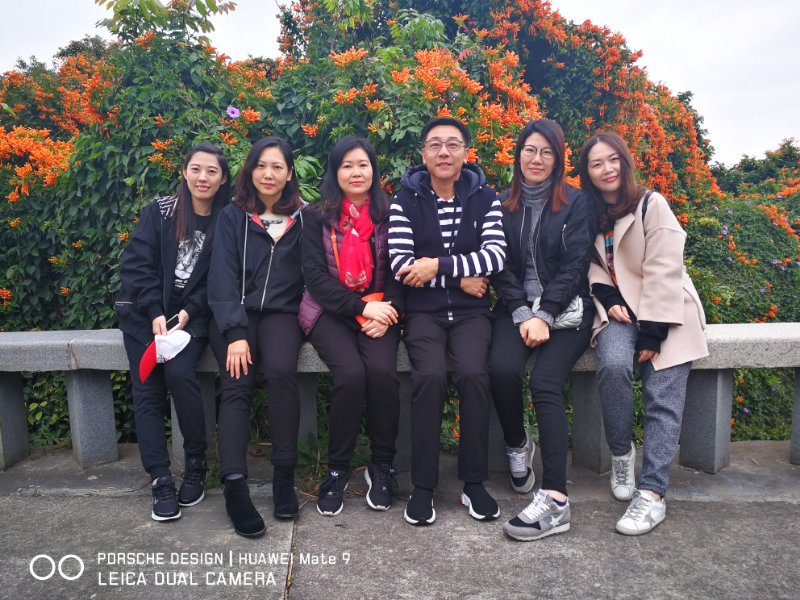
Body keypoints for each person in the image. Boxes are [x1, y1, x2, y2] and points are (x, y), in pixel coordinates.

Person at [579, 131, 708, 535]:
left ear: (625, 161)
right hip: (620, 312)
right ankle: (622, 454)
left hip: (667, 312)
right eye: (596, 163)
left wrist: (653, 332)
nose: (607, 169)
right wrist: (605, 293)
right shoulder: (590, 213)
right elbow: (591, 264)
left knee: (662, 395)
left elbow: (665, 266)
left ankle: (652, 494)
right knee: (613, 366)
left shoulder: (652, 203)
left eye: (612, 159)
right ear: (587, 172)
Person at [388, 116, 506, 526]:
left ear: (465, 154)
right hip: (424, 313)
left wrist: (436, 266)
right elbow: (403, 266)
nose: (444, 152)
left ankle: (474, 482)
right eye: (435, 144)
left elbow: (495, 256)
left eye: (453, 144)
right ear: (423, 154)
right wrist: (460, 277)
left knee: (474, 375)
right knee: (430, 377)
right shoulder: (405, 201)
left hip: (472, 315)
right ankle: (423, 486)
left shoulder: (485, 199)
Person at [490, 119, 597, 542]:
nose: (537, 159)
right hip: (516, 308)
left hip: (566, 310)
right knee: (501, 369)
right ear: (518, 155)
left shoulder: (576, 202)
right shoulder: (501, 204)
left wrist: (546, 314)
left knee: (545, 382)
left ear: (558, 159)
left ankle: (555, 500)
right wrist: (522, 312)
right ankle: (518, 445)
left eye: (546, 152)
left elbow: (575, 264)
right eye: (530, 150)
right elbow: (499, 265)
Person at [116, 142, 231, 522]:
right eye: (196, 169)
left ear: (223, 178)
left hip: (190, 319)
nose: (203, 177)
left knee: (181, 376)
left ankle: (196, 464)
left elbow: (221, 277)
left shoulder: (226, 220)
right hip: (143, 316)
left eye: (212, 171)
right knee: (146, 387)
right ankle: (160, 478)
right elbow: (137, 265)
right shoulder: (161, 211)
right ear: (184, 171)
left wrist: (188, 311)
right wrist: (154, 310)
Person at [299, 136, 404, 516]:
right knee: (350, 375)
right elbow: (315, 278)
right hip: (330, 311)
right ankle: (337, 470)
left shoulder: (392, 214)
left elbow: (401, 268)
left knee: (382, 373)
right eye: (347, 166)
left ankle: (382, 466)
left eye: (362, 164)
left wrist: (388, 309)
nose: (355, 172)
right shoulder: (316, 217)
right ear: (335, 172)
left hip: (380, 311)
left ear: (374, 170)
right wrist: (362, 308)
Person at [208, 137, 306, 538]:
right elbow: (222, 275)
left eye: (277, 166)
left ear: (289, 173)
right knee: (237, 382)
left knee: (283, 373)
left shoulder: (303, 217)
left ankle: (284, 478)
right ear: (250, 171)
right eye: (261, 165)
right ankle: (235, 486)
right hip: (235, 314)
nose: (268, 174)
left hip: (282, 314)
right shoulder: (233, 216)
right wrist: (235, 332)